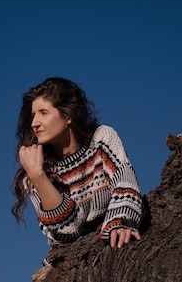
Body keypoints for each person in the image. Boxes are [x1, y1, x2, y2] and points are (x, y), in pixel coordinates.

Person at [11, 77, 144, 251]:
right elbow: (67, 232)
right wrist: (38, 177)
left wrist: (119, 222)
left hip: (115, 240)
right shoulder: (34, 170)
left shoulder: (101, 139)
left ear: (67, 116)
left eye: (43, 113)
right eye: (33, 115)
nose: (34, 123)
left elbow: (125, 184)